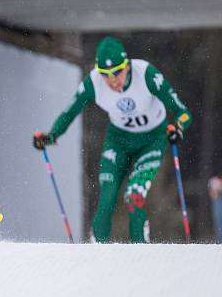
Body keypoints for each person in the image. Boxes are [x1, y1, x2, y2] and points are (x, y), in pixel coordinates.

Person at [33, 36, 192, 243]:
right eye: (105, 74)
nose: (112, 80)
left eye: (117, 72)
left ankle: (141, 254)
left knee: (134, 195)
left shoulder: (146, 75)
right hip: (118, 141)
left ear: (127, 66)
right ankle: (97, 257)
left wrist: (178, 128)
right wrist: (51, 136)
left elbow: (183, 112)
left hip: (151, 140)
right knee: (107, 198)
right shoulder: (93, 83)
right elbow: (69, 112)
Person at [209, 176, 222, 243]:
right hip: (217, 202)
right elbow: (213, 193)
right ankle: (219, 241)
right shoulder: (214, 180)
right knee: (218, 224)